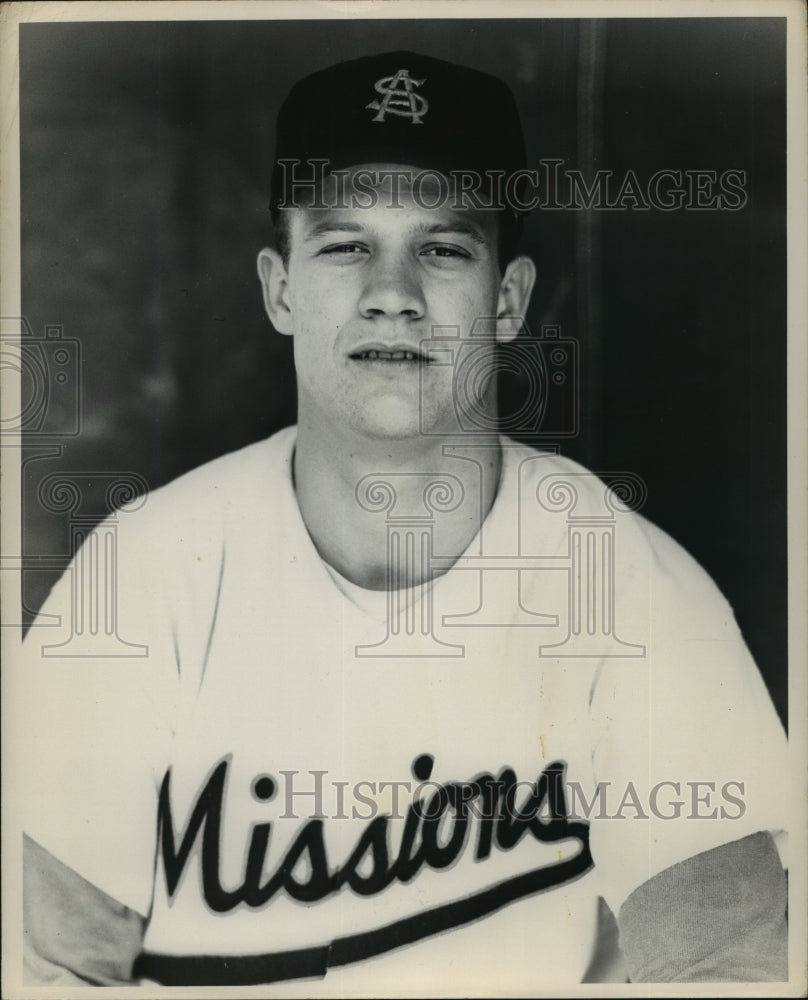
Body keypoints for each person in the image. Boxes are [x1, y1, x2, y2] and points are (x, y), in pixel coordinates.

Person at [20, 50, 788, 990]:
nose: (395, 291)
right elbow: (41, 971)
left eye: (444, 247)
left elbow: (732, 969)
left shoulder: (632, 595)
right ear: (280, 290)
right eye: (346, 245)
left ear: (507, 300)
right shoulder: (136, 581)